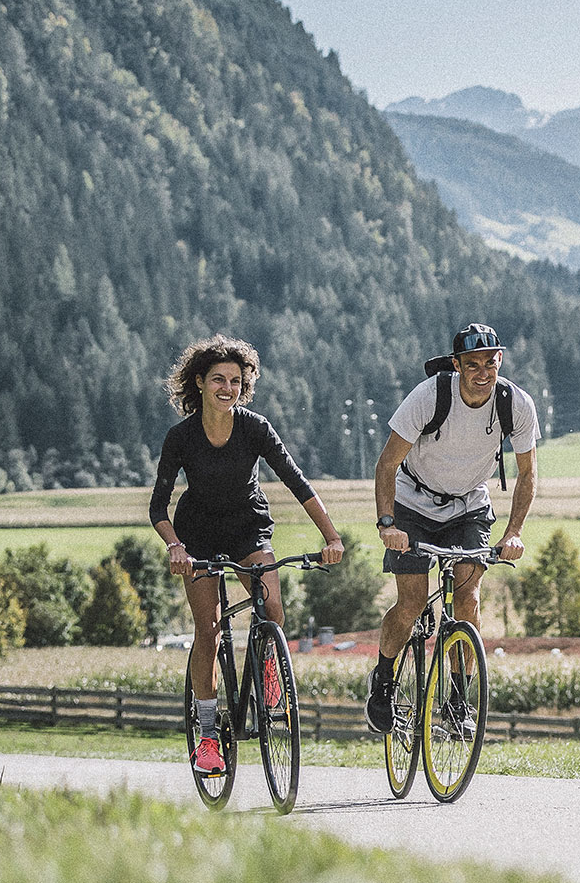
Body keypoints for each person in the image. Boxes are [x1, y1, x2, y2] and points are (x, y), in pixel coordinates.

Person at [150, 334, 344, 774]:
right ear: (199, 383)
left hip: (246, 525)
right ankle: (207, 737)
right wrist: (175, 546)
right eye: (218, 379)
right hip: (197, 532)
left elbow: (298, 484)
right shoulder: (180, 437)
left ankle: (269, 669)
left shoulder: (255, 428)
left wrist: (331, 538)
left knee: (271, 605)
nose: (227, 388)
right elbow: (157, 507)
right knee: (209, 629)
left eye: (236, 381)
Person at [365, 323, 538, 735]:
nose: (482, 373)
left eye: (490, 363)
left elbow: (528, 473)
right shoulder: (430, 396)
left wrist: (513, 531)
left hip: (468, 506)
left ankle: (458, 700)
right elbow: (387, 464)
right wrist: (387, 523)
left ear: (501, 361)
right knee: (411, 603)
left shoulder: (515, 403)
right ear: (457, 365)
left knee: (469, 600)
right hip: (412, 502)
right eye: (473, 364)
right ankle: (384, 680)